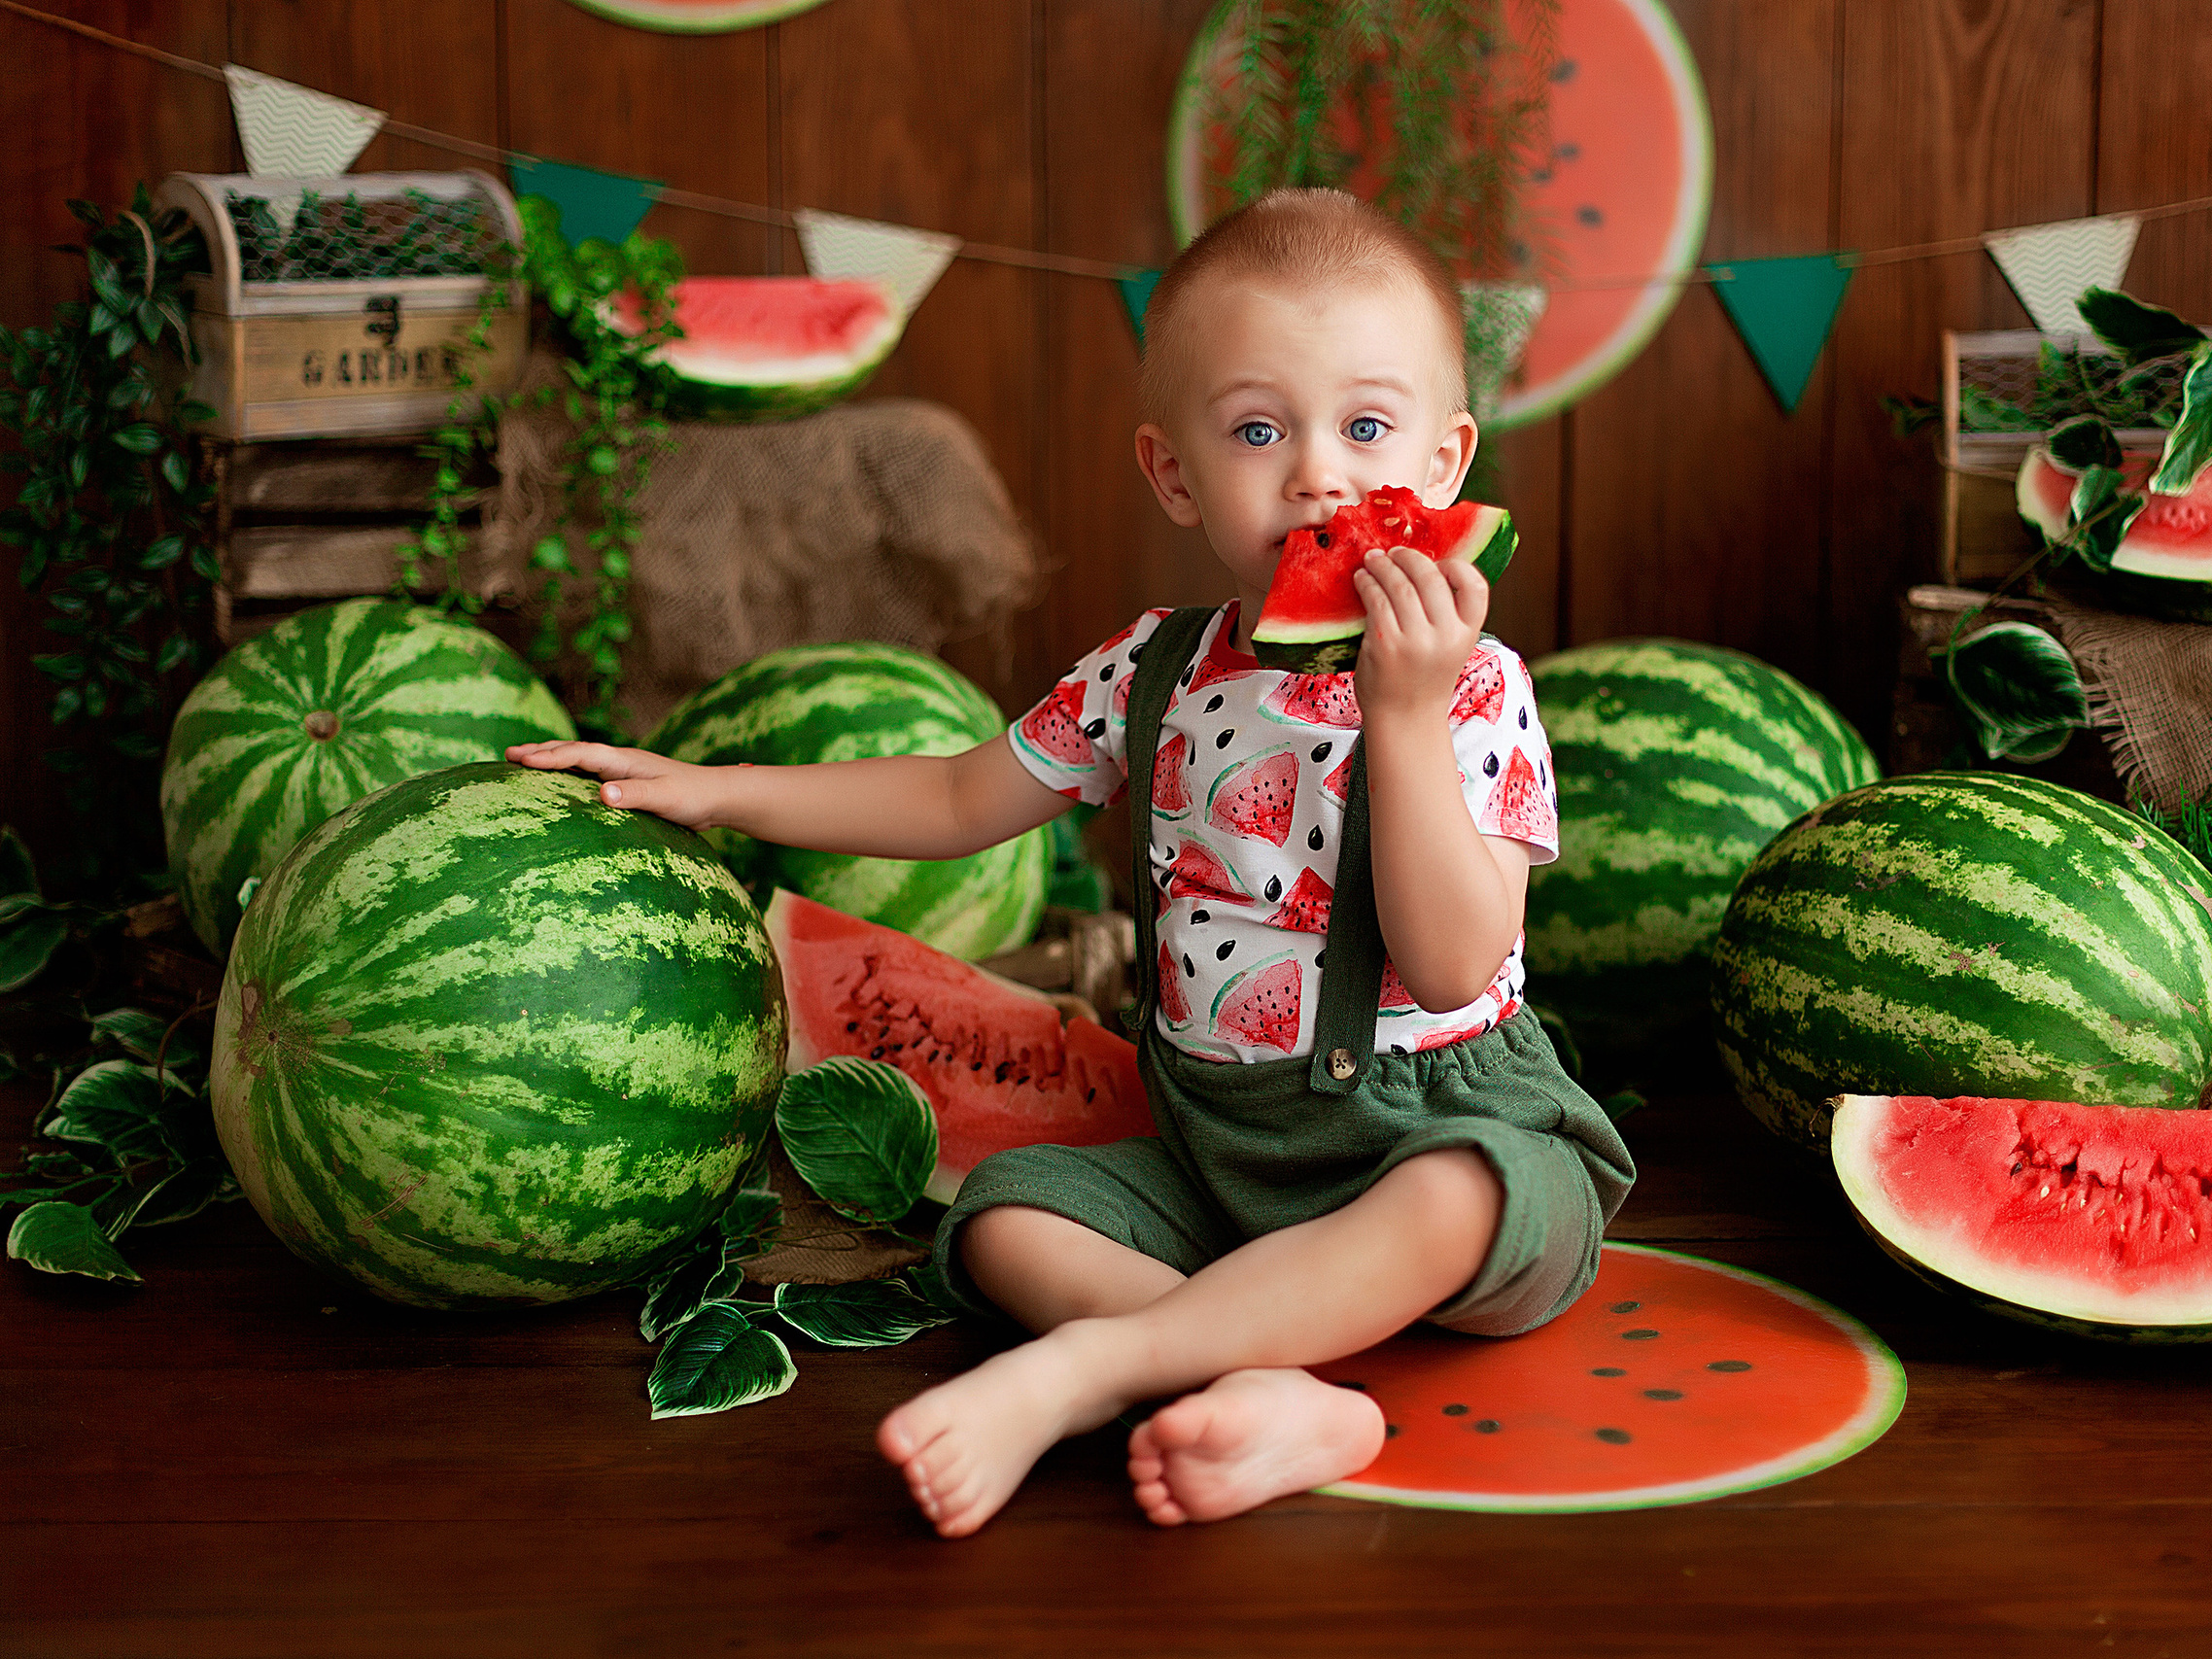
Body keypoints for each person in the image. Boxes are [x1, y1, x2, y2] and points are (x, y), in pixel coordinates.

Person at [507, 188, 1633, 1538]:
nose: (1321, 478)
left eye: (1369, 428)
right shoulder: (1148, 671)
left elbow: (1455, 959)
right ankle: (1284, 1392)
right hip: (1216, 1154)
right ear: (1173, 473)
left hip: (1446, 1123)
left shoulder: (1474, 689)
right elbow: (949, 792)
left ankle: (1098, 1365)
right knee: (1000, 1220)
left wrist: (1400, 709)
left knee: (1463, 1199)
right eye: (1260, 429)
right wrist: (707, 786)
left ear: (1449, 463)